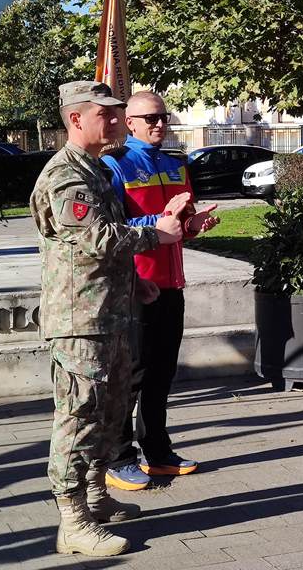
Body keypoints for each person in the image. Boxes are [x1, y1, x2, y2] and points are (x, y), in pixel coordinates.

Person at [30, 81, 188, 557]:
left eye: (119, 113)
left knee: (112, 408)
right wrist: (158, 233)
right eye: (107, 114)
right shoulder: (66, 175)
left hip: (110, 311)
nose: (117, 121)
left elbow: (105, 244)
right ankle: (73, 521)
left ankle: (96, 496)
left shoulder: (97, 169)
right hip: (80, 319)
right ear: (77, 119)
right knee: (79, 416)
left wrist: (135, 282)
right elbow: (96, 238)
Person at [102, 91, 219, 491]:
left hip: (172, 282)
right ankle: (118, 457)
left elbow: (180, 224)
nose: (159, 124)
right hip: (135, 285)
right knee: (131, 373)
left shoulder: (175, 163)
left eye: (163, 116)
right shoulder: (114, 164)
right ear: (130, 122)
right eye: (150, 118)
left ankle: (158, 451)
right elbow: (113, 229)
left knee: (162, 372)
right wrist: (162, 220)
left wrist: (193, 226)